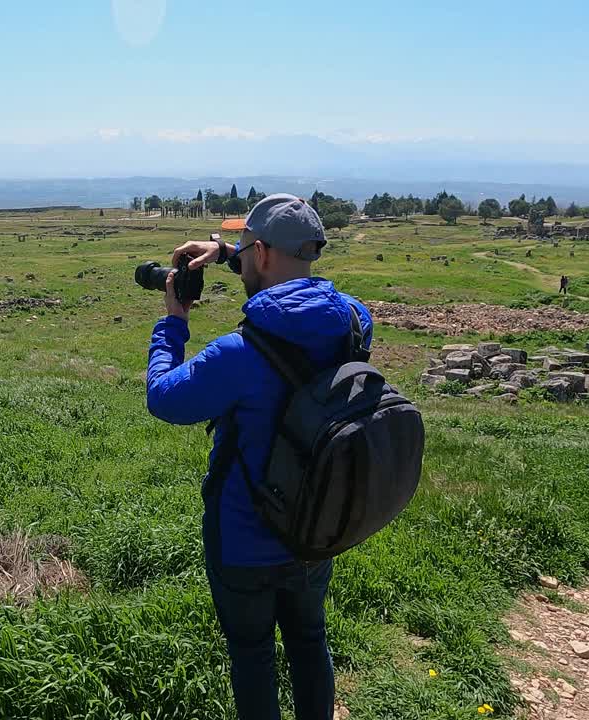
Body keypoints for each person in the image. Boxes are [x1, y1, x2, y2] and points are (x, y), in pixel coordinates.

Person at [145, 194, 373, 719]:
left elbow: (164, 397)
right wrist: (228, 249)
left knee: (252, 655)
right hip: (316, 528)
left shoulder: (238, 355)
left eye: (249, 252)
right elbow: (307, 293)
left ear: (263, 254)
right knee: (310, 639)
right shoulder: (356, 324)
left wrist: (173, 323)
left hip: (245, 541)